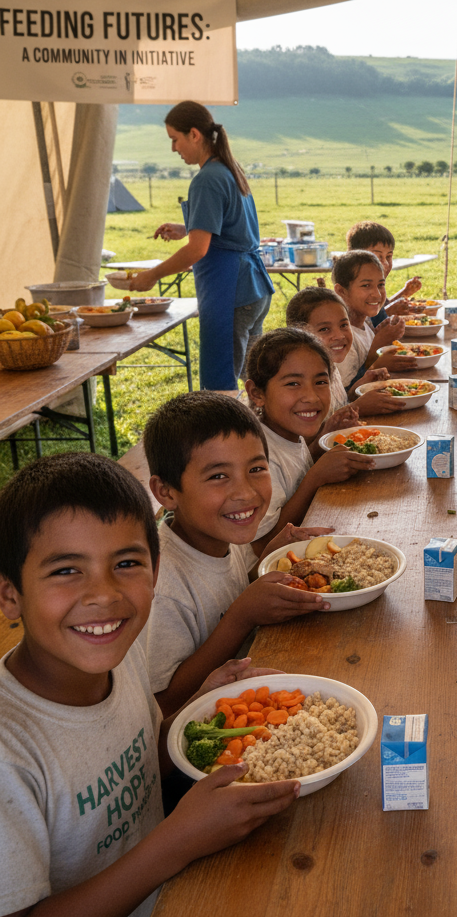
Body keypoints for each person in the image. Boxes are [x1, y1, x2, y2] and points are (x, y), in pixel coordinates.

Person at [0, 452, 299, 917]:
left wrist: (197, 713)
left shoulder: (122, 657)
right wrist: (177, 842)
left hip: (185, 884)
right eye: (65, 570)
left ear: (155, 571)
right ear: (9, 594)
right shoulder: (10, 749)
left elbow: (140, 760)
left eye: (126, 563)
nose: (103, 594)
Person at [142, 391, 332, 716]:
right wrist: (242, 617)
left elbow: (223, 593)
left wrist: (265, 558)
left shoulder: (223, 533)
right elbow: (163, 704)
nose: (245, 492)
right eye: (218, 476)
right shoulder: (163, 588)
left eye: (257, 468)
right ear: (166, 492)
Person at [128, 102, 274, 391]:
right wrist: (188, 228)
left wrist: (151, 276)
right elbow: (231, 229)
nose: (173, 148)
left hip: (231, 292)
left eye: (175, 139)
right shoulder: (229, 169)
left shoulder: (207, 179)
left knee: (221, 387)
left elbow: (197, 251)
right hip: (253, 290)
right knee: (256, 385)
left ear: (194, 134)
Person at [244, 328, 374, 558]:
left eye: (321, 382)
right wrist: (315, 478)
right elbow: (261, 546)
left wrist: (322, 442)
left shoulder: (288, 432)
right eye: (293, 384)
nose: (312, 397)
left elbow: (295, 472)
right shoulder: (258, 456)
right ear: (257, 393)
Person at [283, 282, 401, 425]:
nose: (339, 335)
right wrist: (358, 407)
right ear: (298, 333)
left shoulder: (329, 365)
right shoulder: (300, 382)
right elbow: (307, 440)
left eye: (344, 325)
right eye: (324, 329)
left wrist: (358, 388)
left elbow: (339, 404)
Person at [331, 250, 407, 390]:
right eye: (366, 285)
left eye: (381, 285)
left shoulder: (365, 325)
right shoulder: (340, 339)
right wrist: (377, 347)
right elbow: (346, 396)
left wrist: (379, 336)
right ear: (341, 291)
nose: (377, 294)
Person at [345, 221, 422, 323]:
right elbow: (361, 327)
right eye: (377, 257)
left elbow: (382, 307)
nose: (385, 263)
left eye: (388, 257)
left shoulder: (375, 286)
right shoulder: (353, 291)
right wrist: (388, 312)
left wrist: (405, 293)